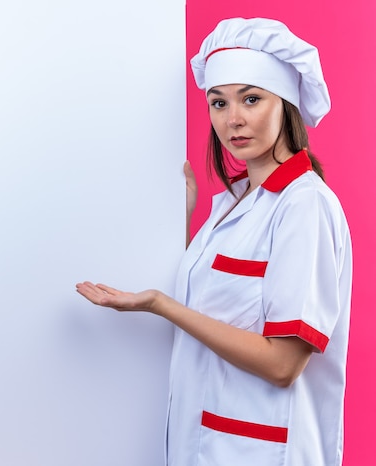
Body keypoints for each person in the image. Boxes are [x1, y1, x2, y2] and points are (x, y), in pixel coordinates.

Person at [76, 17, 352, 466]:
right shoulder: (235, 201)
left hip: (261, 451)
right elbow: (215, 301)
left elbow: (282, 364)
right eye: (218, 102)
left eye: (251, 98)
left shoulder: (304, 205)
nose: (233, 119)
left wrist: (160, 306)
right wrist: (183, 218)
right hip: (203, 443)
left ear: (284, 104)